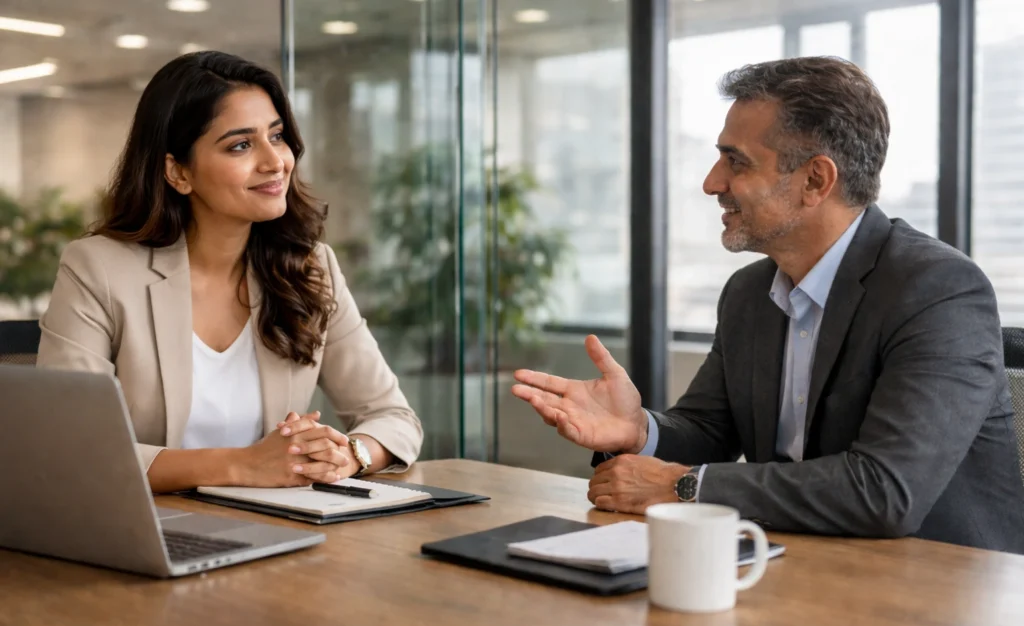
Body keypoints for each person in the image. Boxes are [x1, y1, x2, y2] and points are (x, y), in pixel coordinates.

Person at [512, 56, 1024, 552]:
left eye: (736, 161)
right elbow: (710, 432)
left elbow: (885, 491)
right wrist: (640, 430)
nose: (712, 182)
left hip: (940, 600)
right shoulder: (749, 293)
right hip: (794, 567)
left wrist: (686, 487)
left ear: (815, 181)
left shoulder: (939, 290)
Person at [37, 51, 423, 494]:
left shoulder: (311, 266)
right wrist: (241, 466)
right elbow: (74, 446)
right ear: (178, 172)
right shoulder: (99, 269)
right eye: (241, 145)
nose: (274, 161)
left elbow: (394, 417)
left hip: (281, 531)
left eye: (276, 136)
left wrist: (347, 455)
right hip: (146, 531)